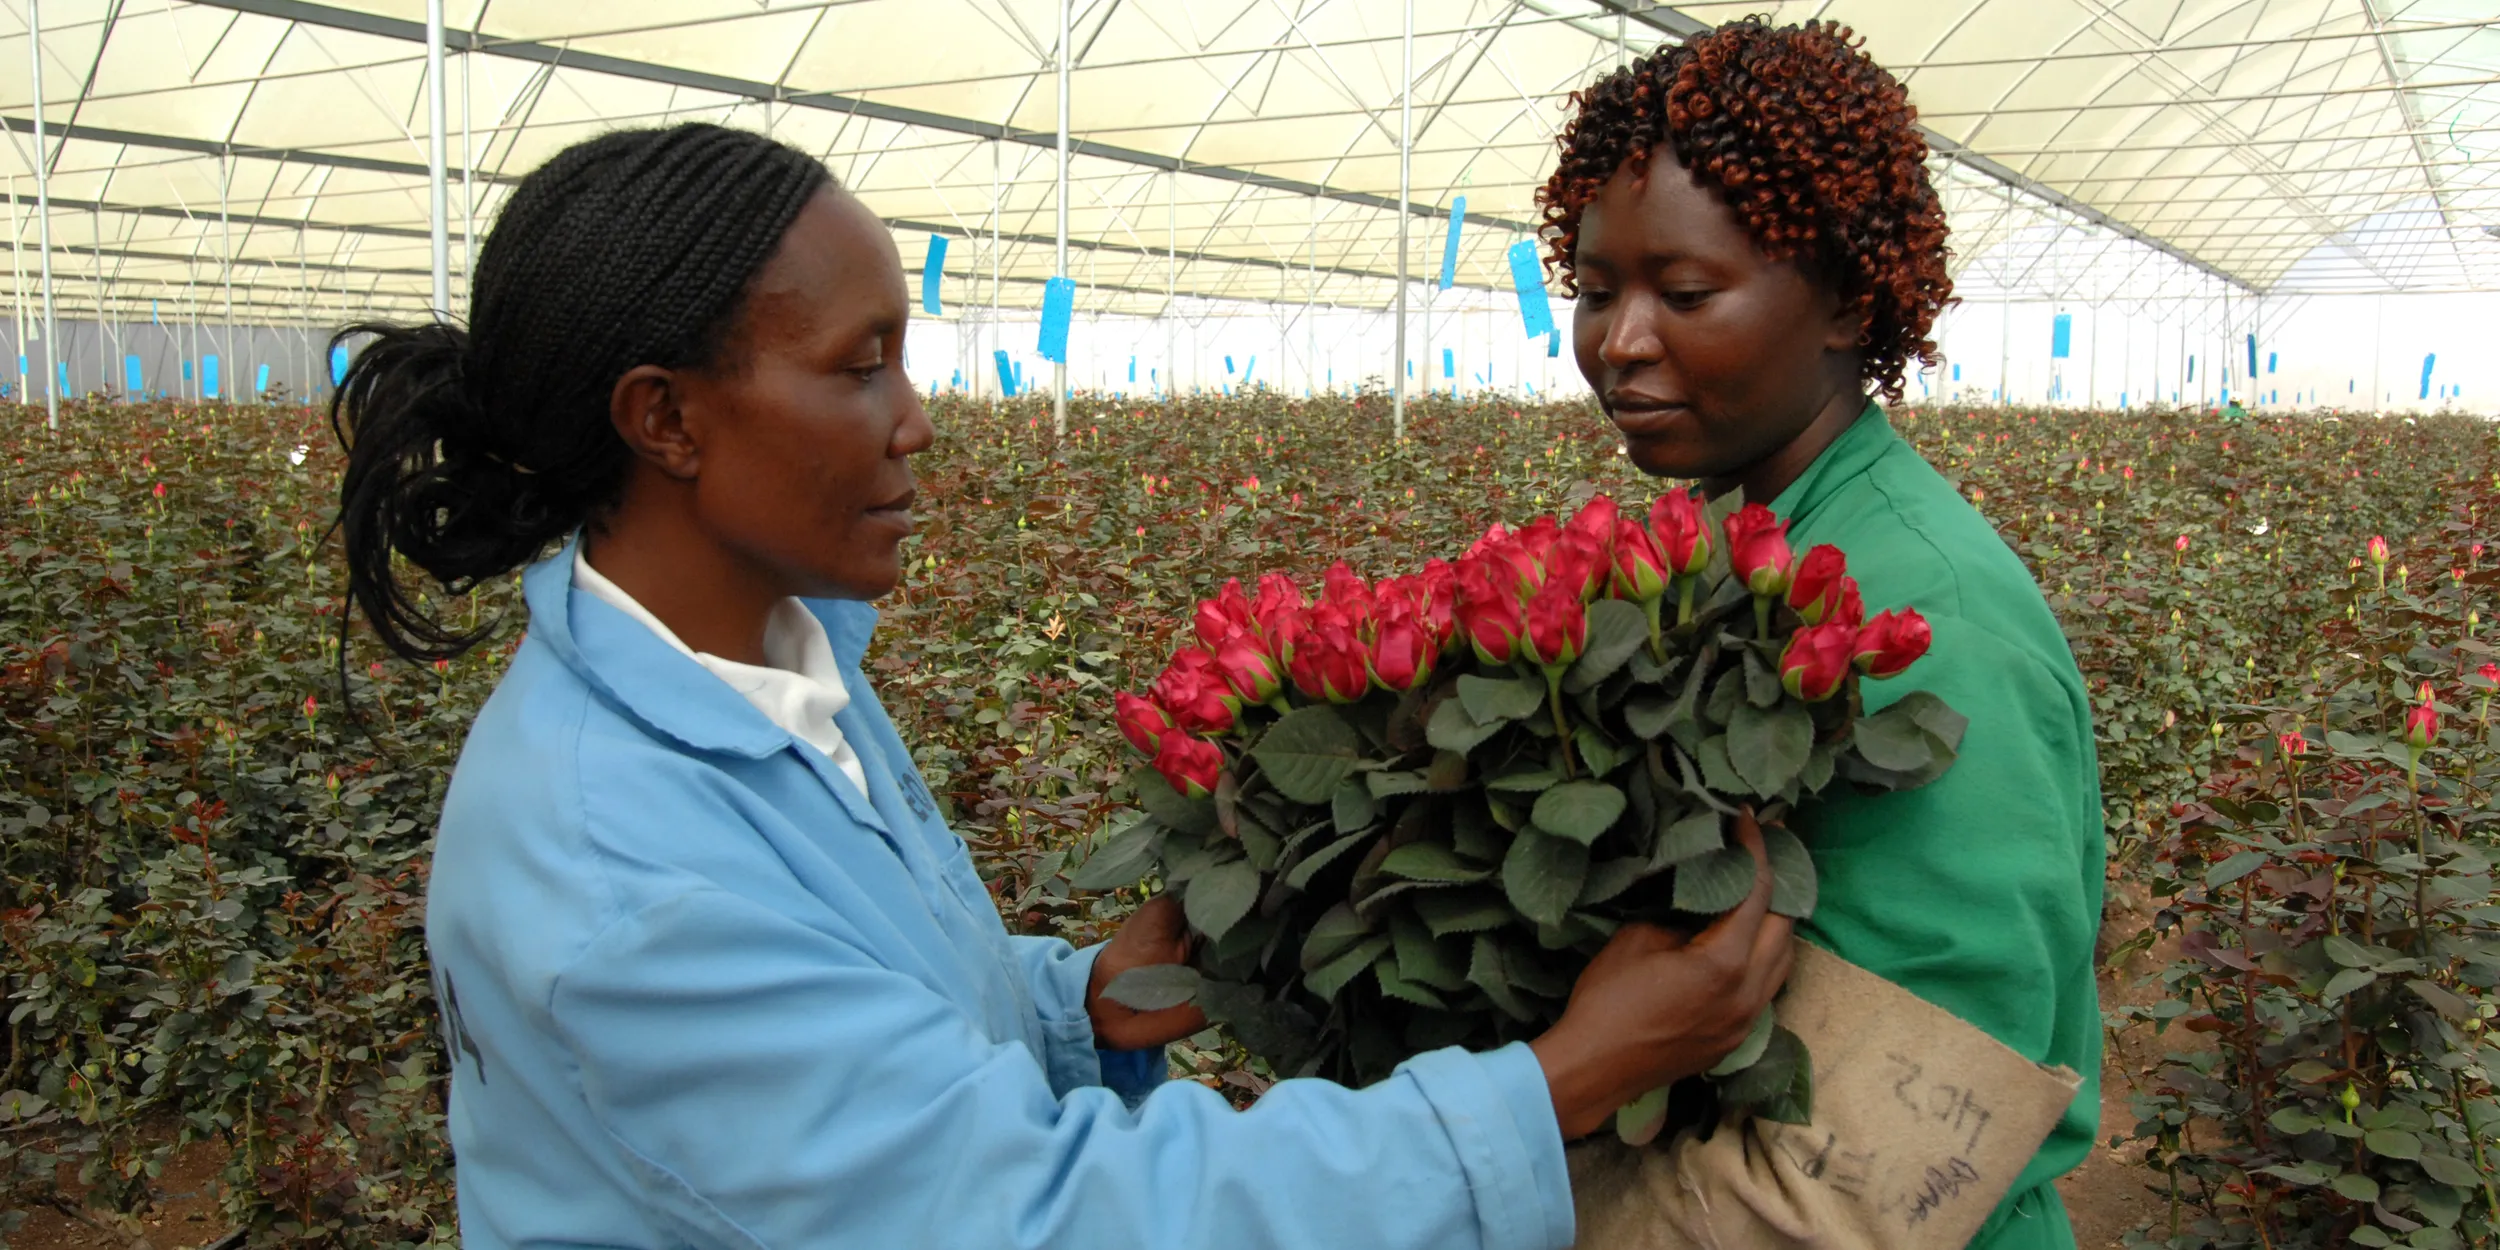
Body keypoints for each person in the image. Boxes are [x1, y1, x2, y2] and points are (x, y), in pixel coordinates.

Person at [331, 122, 1797, 1250]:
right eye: (861, 366)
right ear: (666, 419)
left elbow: (870, 1021)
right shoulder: (615, 876)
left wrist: (1082, 1002)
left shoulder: (774, 667)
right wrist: (1554, 1087)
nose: (915, 422)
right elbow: (1045, 1217)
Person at [1540, 19, 2105, 1250]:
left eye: (1684, 293)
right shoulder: (1723, 541)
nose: (1620, 342)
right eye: (1592, 290)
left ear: (1848, 302)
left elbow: (1895, 1151)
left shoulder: (1922, 613)